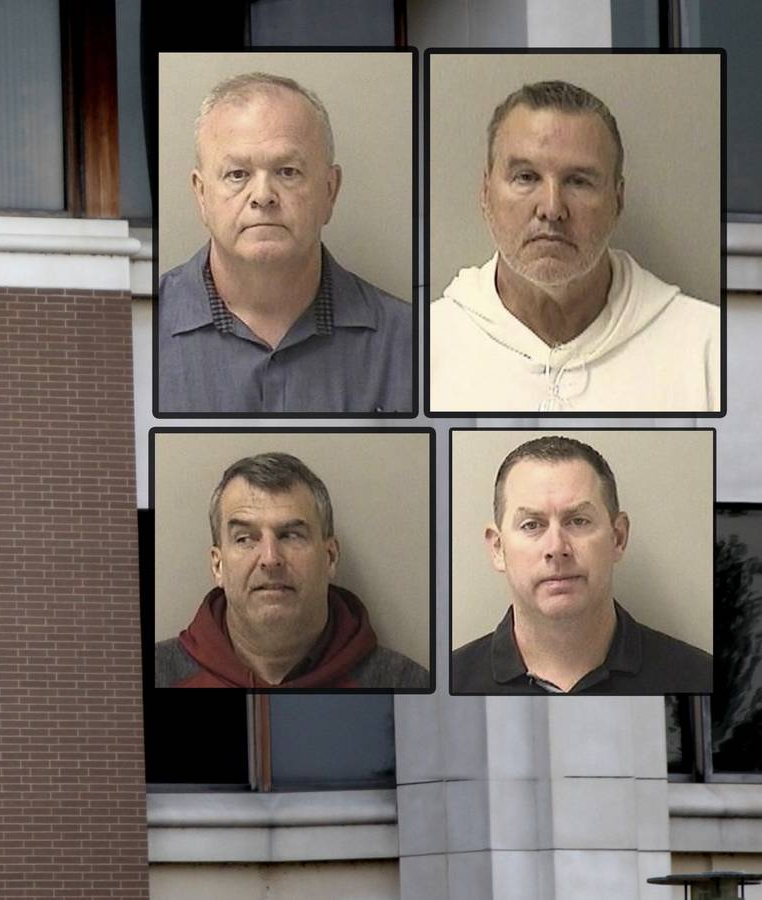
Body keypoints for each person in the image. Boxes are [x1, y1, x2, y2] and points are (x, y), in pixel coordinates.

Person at [430, 80, 720, 412]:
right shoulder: (423, 348)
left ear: (618, 200)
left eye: (578, 181)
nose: (552, 208)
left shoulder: (708, 349)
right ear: (486, 192)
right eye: (526, 177)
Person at [157, 73, 412, 414]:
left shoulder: (411, 343)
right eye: (238, 174)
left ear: (329, 191)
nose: (263, 196)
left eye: (287, 171)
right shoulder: (138, 340)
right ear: (202, 194)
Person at [452, 435, 713, 694]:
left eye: (578, 521)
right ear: (498, 548)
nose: (556, 548)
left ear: (618, 538)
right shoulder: (449, 681)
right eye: (531, 525)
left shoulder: (701, 678)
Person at [155, 452, 428, 688]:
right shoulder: (153, 675)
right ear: (218, 566)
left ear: (330, 557)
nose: (270, 559)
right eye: (245, 538)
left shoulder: (405, 682)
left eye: (291, 535)